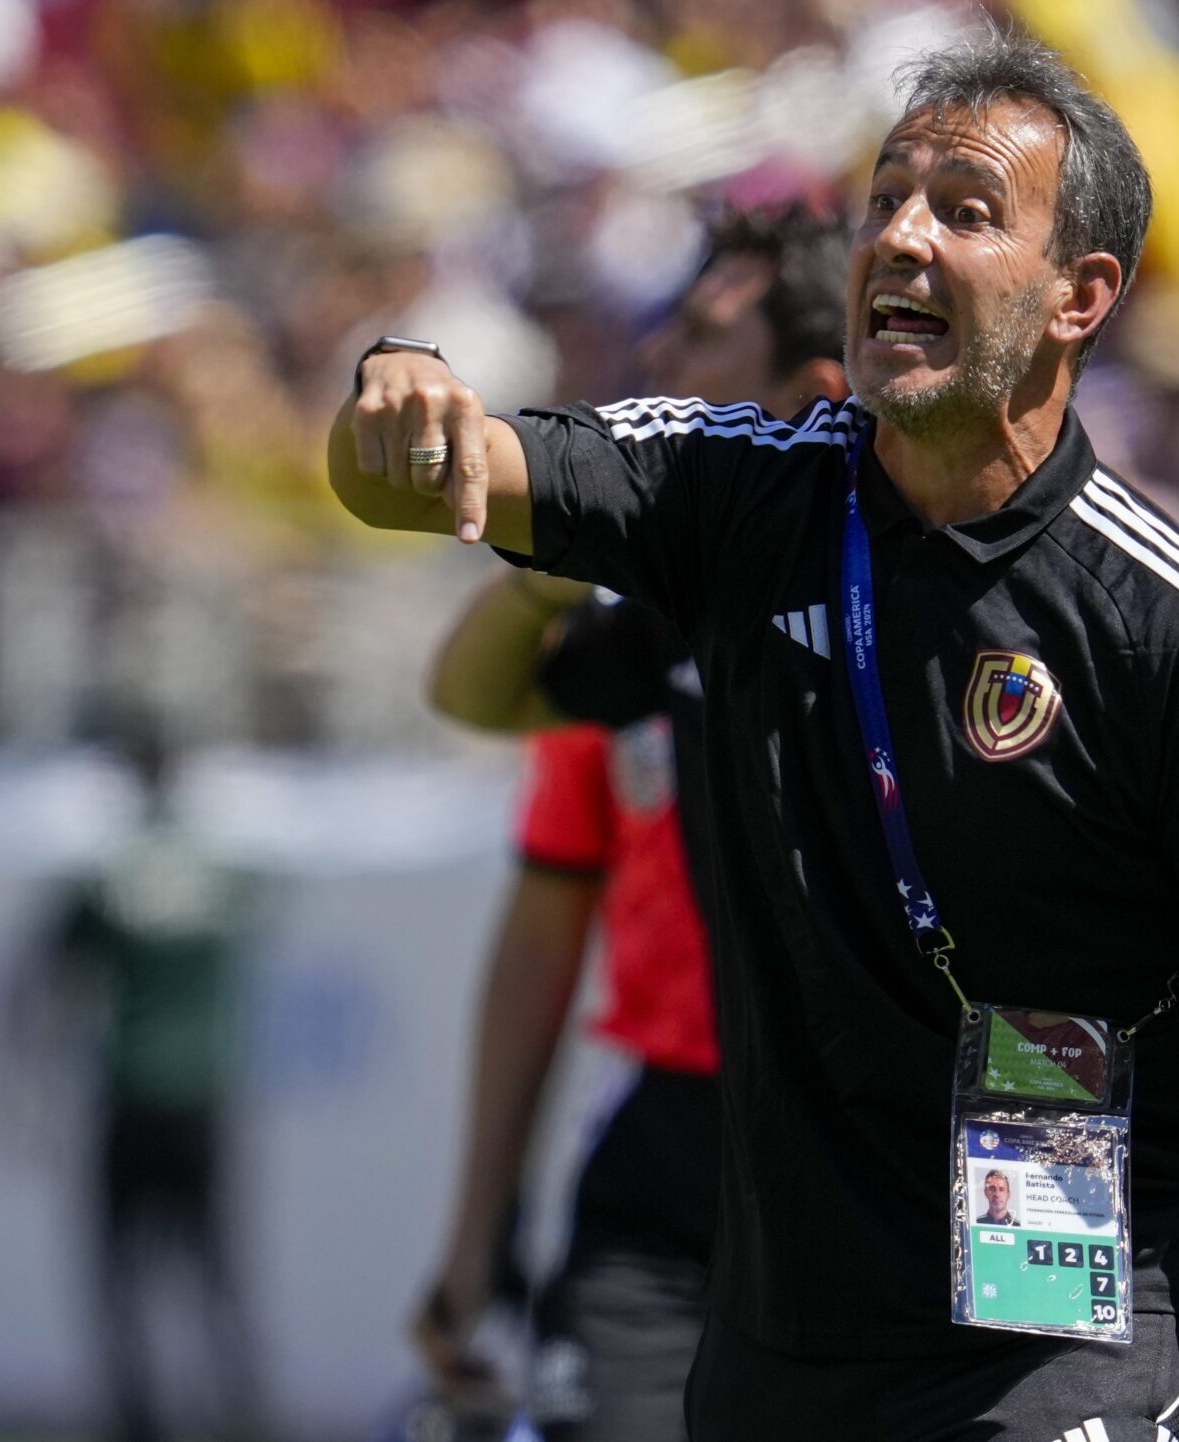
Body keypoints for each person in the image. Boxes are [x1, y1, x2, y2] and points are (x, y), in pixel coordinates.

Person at [331, 30, 1179, 1441]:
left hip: (1071, 1306)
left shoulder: (1172, 621)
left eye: (965, 208)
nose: (901, 235)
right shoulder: (739, 495)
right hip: (792, 1322)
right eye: (888, 197)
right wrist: (396, 386)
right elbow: (418, 484)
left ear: (1083, 296)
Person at [412, 208, 849, 1441]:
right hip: (669, 1145)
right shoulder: (648, 611)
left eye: (701, 338)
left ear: (808, 392)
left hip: (872, 1149)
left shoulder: (934, 614)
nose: (656, 364)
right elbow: (538, 912)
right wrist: (473, 1238)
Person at [23, 727, 267, 1442]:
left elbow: (50, 984)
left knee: (120, 1285)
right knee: (218, 1280)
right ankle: (241, 1418)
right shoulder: (227, 871)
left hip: (130, 1092)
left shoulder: (106, 874)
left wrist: (20, 1097)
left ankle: (139, 1425)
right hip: (204, 1095)